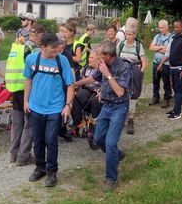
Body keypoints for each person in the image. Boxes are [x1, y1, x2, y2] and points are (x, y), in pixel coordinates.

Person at [74, 40, 132, 192]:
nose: (97, 58)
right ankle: (117, 155)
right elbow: (94, 78)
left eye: (100, 56)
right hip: (107, 106)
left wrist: (108, 74)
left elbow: (120, 92)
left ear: (108, 56)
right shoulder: (103, 65)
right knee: (98, 139)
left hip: (119, 107)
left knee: (111, 142)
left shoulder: (124, 67)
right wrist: (76, 84)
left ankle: (111, 178)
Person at [24, 32, 75, 187]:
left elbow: (71, 85)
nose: (57, 51)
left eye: (58, 47)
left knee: (51, 140)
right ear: (43, 46)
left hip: (55, 108)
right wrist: (26, 101)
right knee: (38, 140)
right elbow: (28, 80)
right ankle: (40, 167)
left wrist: (68, 105)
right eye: (53, 48)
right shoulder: (32, 59)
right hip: (36, 107)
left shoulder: (62, 61)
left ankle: (52, 171)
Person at [7, 23, 45, 165]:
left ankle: (13, 153)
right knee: (29, 124)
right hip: (28, 90)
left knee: (17, 124)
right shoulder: (34, 50)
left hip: (15, 88)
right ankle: (23, 157)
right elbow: (37, 73)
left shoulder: (17, 47)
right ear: (40, 35)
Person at [158, 20, 182, 120]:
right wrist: (161, 63)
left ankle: (177, 112)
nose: (175, 29)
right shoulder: (173, 37)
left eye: (177, 27)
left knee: (179, 89)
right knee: (175, 89)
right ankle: (175, 109)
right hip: (172, 68)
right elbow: (168, 53)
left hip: (180, 68)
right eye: (174, 27)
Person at [117, 26, 147, 134]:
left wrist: (140, 73)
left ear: (134, 35)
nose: (128, 36)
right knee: (120, 93)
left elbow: (144, 62)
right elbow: (116, 58)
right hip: (121, 73)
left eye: (130, 34)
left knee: (133, 94)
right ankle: (120, 117)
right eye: (127, 34)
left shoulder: (138, 46)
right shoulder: (121, 44)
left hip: (133, 73)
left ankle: (130, 119)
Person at [149, 19, 173, 107]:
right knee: (155, 81)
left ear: (167, 27)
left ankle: (167, 98)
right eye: (160, 28)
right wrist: (162, 47)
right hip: (156, 62)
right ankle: (156, 97)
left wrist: (157, 48)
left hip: (166, 64)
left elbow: (169, 51)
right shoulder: (157, 36)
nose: (161, 29)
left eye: (162, 27)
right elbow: (151, 47)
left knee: (166, 82)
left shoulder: (171, 37)